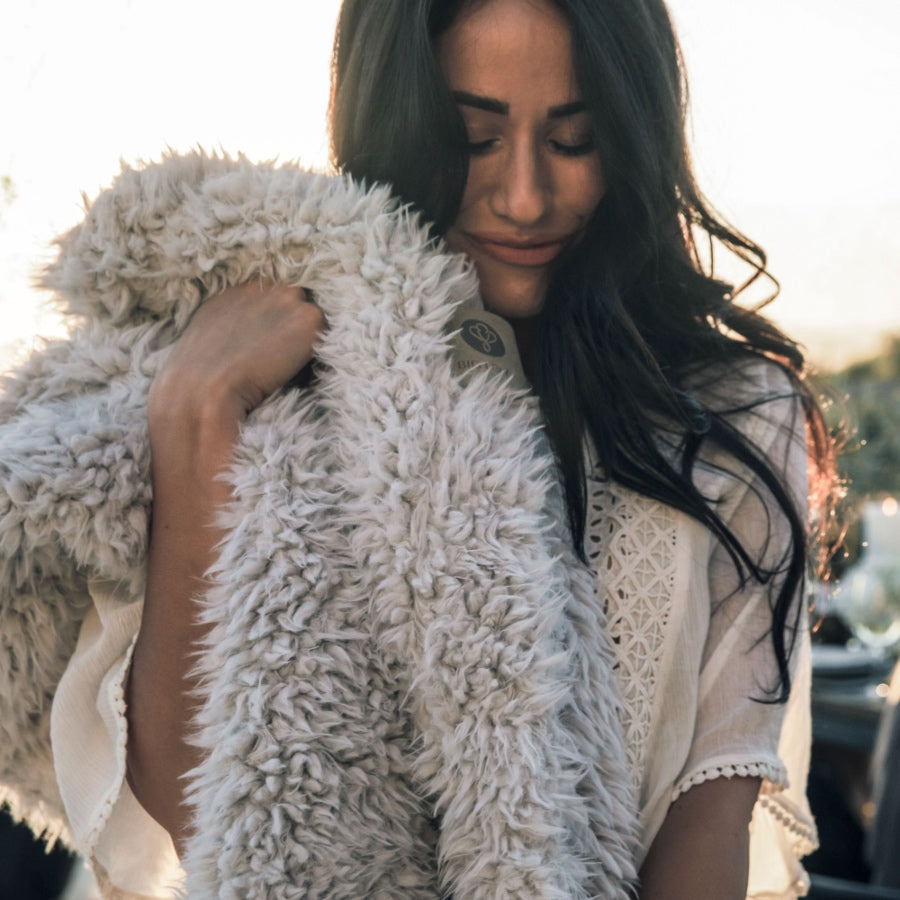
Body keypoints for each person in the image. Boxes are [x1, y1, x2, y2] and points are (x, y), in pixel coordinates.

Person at [0, 0, 839, 898]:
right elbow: (190, 815)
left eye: (575, 140)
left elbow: (709, 825)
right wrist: (194, 417)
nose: (524, 197)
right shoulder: (268, 378)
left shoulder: (734, 420)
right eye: (471, 139)